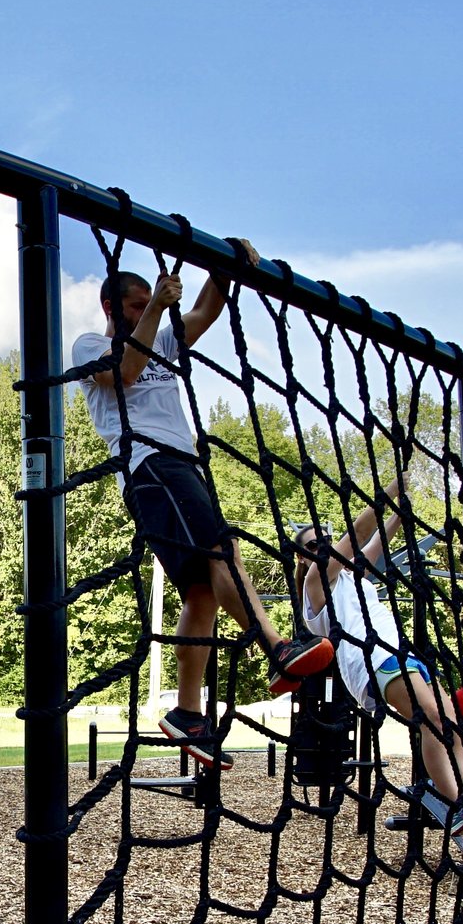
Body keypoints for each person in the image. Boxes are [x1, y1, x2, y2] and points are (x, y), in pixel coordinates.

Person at [74, 255, 333, 772]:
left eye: (148, 303)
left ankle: (188, 712)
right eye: (135, 304)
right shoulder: (89, 346)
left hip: (181, 467)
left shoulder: (164, 337)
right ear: (112, 306)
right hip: (150, 466)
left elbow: (208, 309)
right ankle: (274, 644)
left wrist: (225, 265)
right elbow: (124, 370)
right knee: (223, 551)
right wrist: (158, 310)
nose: (146, 310)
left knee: (201, 589)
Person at [294, 468, 463, 840]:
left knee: (450, 725)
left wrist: (400, 513)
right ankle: (458, 806)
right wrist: (390, 491)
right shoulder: (316, 584)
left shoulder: (354, 579)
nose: (322, 549)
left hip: (399, 655)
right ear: (303, 558)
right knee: (431, 719)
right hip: (373, 662)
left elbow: (376, 542)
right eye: (313, 546)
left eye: (324, 541)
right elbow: (359, 534)